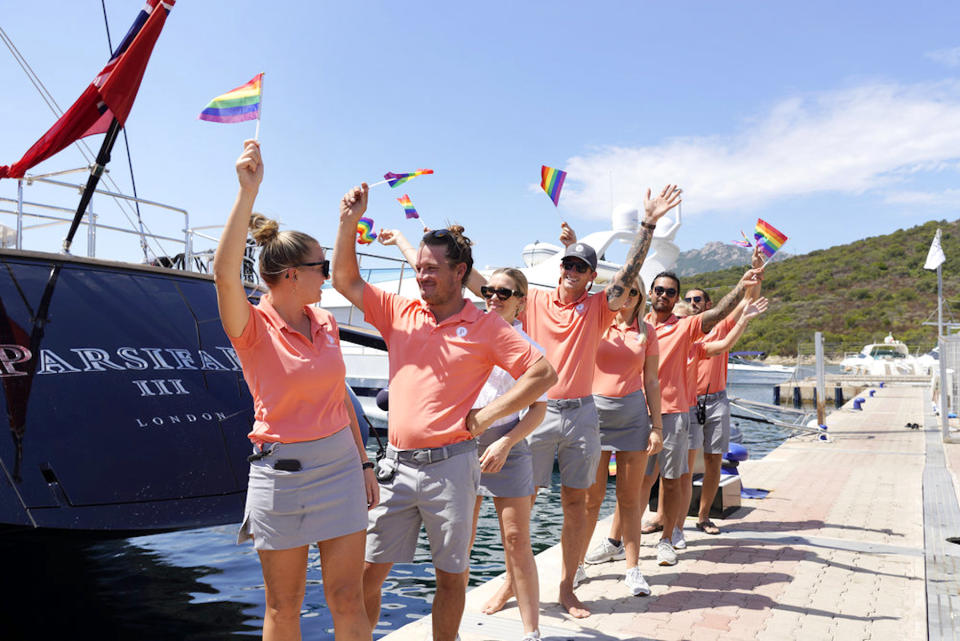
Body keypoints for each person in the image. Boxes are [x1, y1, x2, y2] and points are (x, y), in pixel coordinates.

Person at [333, 188, 557, 641]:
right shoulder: (400, 310)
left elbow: (543, 374)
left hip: (453, 468)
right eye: (419, 268)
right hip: (395, 466)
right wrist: (347, 221)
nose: (422, 277)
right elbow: (344, 280)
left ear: (460, 272)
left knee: (451, 578)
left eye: (432, 269)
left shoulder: (486, 326)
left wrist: (488, 413)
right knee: (366, 576)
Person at [468, 185, 683, 618]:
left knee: (577, 503)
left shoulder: (599, 309)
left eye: (580, 266)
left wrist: (648, 225)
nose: (570, 269)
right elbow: (486, 289)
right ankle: (511, 582)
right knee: (521, 502)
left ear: (591, 275)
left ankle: (567, 586)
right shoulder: (536, 302)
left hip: (582, 414)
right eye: (568, 263)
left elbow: (629, 273)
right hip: (536, 414)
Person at [213, 140, 377, 641]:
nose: (327, 277)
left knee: (347, 598)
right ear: (290, 276)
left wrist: (365, 461)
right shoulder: (253, 327)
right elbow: (224, 274)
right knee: (285, 608)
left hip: (341, 467)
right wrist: (248, 193)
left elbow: (340, 399)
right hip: (281, 474)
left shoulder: (324, 319)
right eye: (320, 268)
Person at [378, 229, 546, 641]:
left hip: (505, 439)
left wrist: (502, 436)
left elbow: (539, 404)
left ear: (521, 301)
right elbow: (438, 270)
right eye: (489, 291)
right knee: (460, 548)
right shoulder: (471, 324)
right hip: (463, 447)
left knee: (514, 540)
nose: (494, 298)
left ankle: (531, 631)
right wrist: (402, 240)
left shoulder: (516, 341)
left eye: (504, 294)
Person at [594, 293, 769, 565]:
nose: (686, 324)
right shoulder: (651, 338)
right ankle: (617, 539)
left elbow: (722, 345)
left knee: (678, 478)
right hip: (648, 414)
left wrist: (743, 319)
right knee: (639, 482)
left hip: (679, 415)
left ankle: (673, 531)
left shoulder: (695, 347)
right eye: (682, 318)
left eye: (688, 319)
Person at [580, 275, 664, 597]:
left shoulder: (647, 332)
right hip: (594, 417)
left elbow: (652, 382)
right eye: (621, 290)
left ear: (640, 295)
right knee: (590, 499)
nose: (626, 296)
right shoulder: (597, 324)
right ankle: (577, 566)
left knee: (629, 500)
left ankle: (633, 569)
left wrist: (657, 427)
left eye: (633, 291)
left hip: (633, 419)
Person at [683, 246, 764, 536]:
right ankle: (668, 518)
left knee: (714, 459)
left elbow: (748, 301)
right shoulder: (682, 331)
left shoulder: (720, 325)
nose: (692, 303)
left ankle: (704, 517)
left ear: (708, 303)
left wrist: (758, 271)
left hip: (715, 400)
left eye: (697, 299)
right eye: (688, 299)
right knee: (684, 461)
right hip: (688, 402)